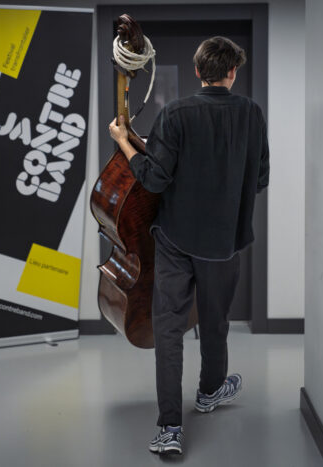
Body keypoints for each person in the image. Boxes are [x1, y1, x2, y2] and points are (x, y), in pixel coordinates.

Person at [108, 36, 270, 455]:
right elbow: (260, 179)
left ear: (198, 72)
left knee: (169, 329)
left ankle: (170, 428)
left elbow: (154, 178)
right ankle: (210, 390)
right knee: (215, 321)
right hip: (225, 242)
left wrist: (124, 141)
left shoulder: (176, 113)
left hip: (176, 240)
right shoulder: (252, 113)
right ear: (232, 72)